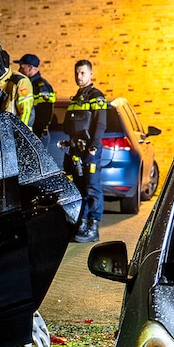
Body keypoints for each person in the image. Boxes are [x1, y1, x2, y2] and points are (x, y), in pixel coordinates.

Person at [64, 59, 108, 243]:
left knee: (92, 188)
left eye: (82, 73)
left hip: (90, 151)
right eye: (76, 73)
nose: (78, 76)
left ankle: (93, 228)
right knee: (80, 188)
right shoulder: (75, 99)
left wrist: (93, 148)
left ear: (91, 74)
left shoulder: (96, 97)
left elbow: (100, 124)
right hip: (76, 151)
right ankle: (81, 224)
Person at [15, 54, 55, 136]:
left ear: (30, 68)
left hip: (37, 133)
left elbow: (45, 111)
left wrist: (38, 133)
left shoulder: (42, 87)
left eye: (22, 67)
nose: (19, 70)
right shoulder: (27, 84)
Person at [0, 64, 34, 129]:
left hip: (15, 130)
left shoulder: (21, 81)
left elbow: (25, 111)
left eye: (21, 67)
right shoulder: (0, 81)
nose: (19, 69)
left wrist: (21, 132)